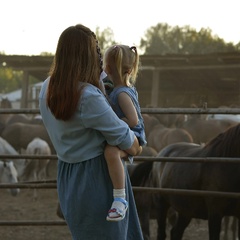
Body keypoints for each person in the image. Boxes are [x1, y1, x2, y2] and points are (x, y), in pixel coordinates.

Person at [39, 24, 144, 240]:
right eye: (96, 51)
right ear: (87, 55)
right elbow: (130, 144)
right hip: (97, 179)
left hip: (68, 178)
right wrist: (137, 143)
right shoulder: (88, 97)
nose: (100, 58)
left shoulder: (46, 87)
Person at [102, 45, 147, 222]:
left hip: (133, 134)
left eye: (108, 66)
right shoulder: (118, 89)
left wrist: (114, 123)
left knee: (111, 152)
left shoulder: (121, 94)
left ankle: (120, 199)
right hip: (125, 133)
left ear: (107, 69)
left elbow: (134, 121)